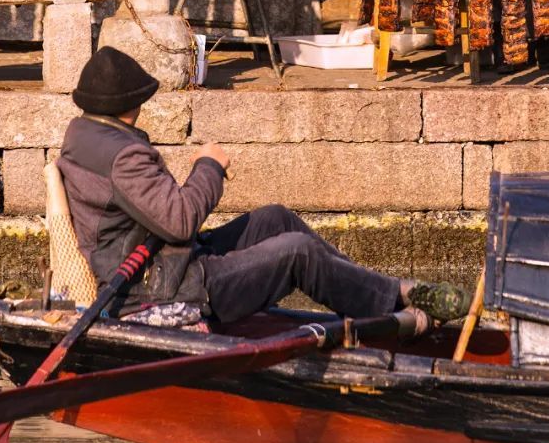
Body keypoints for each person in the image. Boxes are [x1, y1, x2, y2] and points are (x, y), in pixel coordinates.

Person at [58, 46, 470, 330]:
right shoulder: (123, 156)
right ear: (134, 103)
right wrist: (209, 167)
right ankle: (392, 302)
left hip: (165, 263)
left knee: (275, 218)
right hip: (166, 287)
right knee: (297, 251)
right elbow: (180, 222)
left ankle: (375, 288)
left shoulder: (84, 137)